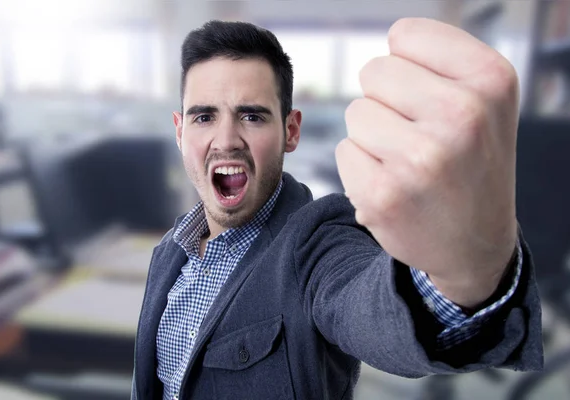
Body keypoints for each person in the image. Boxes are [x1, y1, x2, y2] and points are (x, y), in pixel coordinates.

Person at [132, 17, 543, 400]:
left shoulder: (317, 241)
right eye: (204, 116)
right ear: (180, 130)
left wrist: (468, 267)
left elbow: (371, 311)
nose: (226, 139)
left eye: (252, 116)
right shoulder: (172, 248)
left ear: (290, 131)